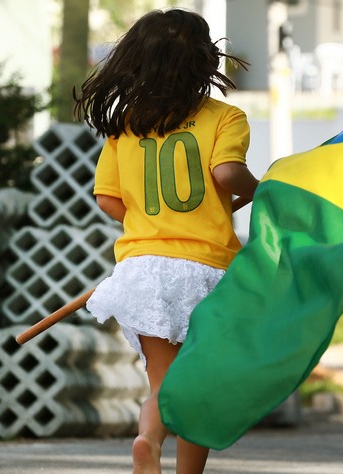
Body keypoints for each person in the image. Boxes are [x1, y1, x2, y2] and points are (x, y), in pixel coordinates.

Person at [73, 8, 259, 474]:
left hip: (143, 269)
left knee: (163, 381)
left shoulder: (127, 125)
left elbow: (109, 202)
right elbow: (226, 173)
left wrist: (149, 216)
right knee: (202, 384)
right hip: (206, 269)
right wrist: (262, 191)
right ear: (204, 62)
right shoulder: (224, 117)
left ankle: (148, 439)